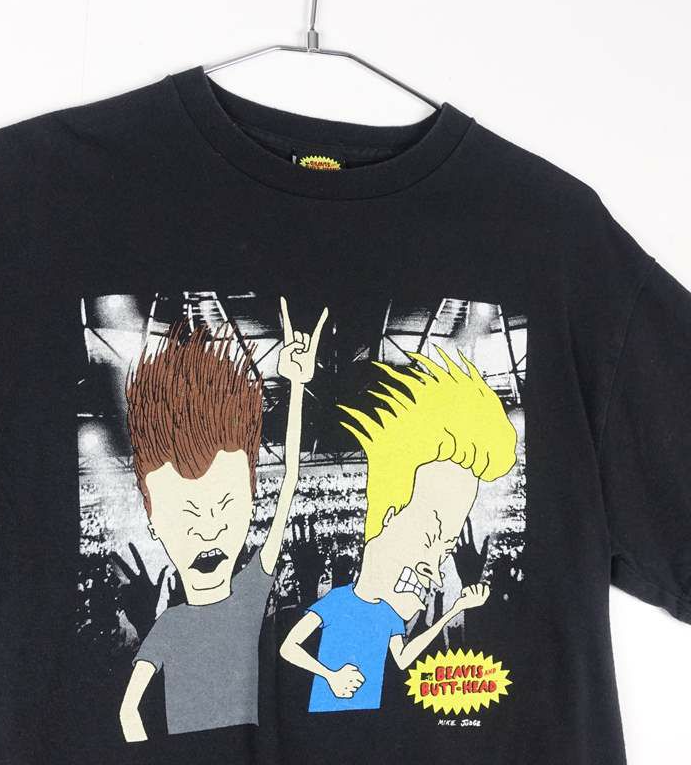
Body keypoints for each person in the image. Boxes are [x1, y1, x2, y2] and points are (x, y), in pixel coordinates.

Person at [119, 298, 328, 737]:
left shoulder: (249, 594)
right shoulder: (171, 625)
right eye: (186, 513)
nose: (209, 528)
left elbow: (289, 479)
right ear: (152, 517)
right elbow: (127, 712)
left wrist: (295, 388)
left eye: (227, 504)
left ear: (250, 501)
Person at [280, 347, 517, 712]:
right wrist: (329, 674)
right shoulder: (335, 602)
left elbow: (404, 659)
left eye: (447, 548)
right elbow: (287, 648)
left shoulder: (389, 615)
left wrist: (456, 609)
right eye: (429, 538)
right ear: (389, 515)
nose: (435, 571)